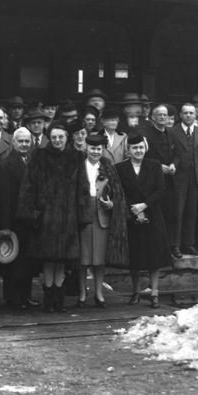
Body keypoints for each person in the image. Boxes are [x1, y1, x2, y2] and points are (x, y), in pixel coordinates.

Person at [16, 122, 78, 312]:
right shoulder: (39, 156)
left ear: (67, 137)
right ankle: (48, 299)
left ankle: (59, 299)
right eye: (54, 137)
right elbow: (29, 186)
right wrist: (31, 211)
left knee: (62, 259)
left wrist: (81, 215)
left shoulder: (75, 157)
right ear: (49, 138)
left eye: (61, 137)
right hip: (45, 217)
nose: (58, 140)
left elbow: (81, 188)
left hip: (68, 217)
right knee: (48, 259)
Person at [117, 134, 173, 308]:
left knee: (153, 255)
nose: (138, 151)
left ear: (145, 148)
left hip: (153, 215)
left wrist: (145, 205)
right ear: (128, 150)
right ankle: (136, 292)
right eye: (134, 148)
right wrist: (133, 208)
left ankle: (155, 292)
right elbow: (119, 192)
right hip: (131, 215)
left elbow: (161, 190)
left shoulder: (154, 165)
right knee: (135, 256)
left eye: (141, 147)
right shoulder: (120, 168)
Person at [76, 131, 129, 308]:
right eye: (92, 148)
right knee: (83, 259)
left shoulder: (107, 166)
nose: (95, 152)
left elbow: (118, 192)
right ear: (86, 147)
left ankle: (99, 294)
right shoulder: (78, 166)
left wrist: (112, 204)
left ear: (103, 149)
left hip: (102, 216)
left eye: (98, 149)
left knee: (99, 259)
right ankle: (82, 294)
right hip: (83, 215)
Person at [0, 127, 39, 309]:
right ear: (13, 142)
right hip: (12, 222)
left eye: (27, 141)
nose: (24, 144)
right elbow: (2, 198)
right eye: (20, 141)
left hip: (29, 221)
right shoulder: (4, 165)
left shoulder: (32, 162)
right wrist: (4, 225)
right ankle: (13, 298)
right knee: (13, 262)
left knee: (27, 262)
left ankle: (26, 296)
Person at [169, 102, 198, 257]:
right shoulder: (172, 132)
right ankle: (175, 245)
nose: (189, 116)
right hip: (178, 178)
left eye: (191, 113)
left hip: (195, 177)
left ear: (195, 115)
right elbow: (170, 154)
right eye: (185, 113)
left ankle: (188, 244)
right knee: (177, 212)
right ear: (180, 115)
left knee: (191, 212)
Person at [143, 103, 177, 241]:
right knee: (155, 215)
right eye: (159, 115)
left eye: (165, 115)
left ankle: (170, 247)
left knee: (169, 214)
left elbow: (178, 154)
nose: (163, 117)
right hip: (153, 181)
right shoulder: (146, 134)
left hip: (169, 180)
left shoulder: (172, 133)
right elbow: (142, 157)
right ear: (153, 117)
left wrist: (174, 164)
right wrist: (158, 166)